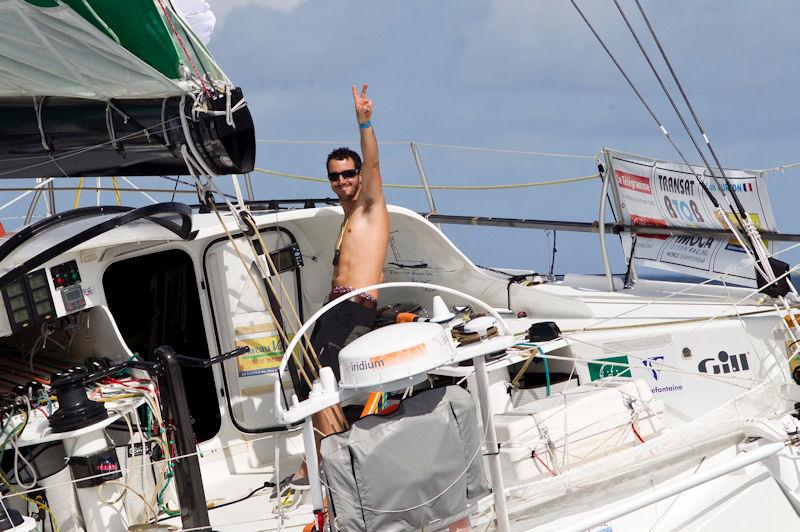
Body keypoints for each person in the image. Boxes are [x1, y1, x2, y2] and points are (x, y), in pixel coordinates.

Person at [290, 83, 389, 488]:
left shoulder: (370, 207)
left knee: (323, 381)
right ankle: (322, 455)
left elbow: (375, 163)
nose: (343, 180)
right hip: (334, 307)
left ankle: (327, 462)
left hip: (355, 308)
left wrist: (364, 121)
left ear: (359, 175)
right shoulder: (345, 219)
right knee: (304, 378)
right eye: (336, 176)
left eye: (349, 173)